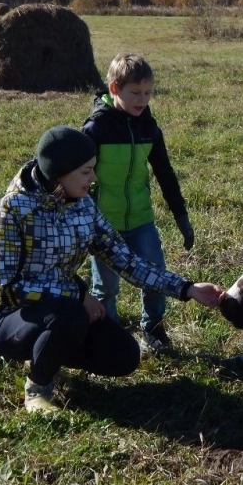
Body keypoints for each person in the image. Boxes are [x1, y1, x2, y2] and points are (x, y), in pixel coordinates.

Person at [0, 125, 224, 413]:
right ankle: (38, 389)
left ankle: (46, 352)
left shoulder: (84, 207)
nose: (93, 179)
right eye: (85, 171)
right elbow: (7, 287)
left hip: (62, 312)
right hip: (9, 318)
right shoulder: (12, 210)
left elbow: (127, 260)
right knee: (68, 315)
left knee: (124, 356)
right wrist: (77, 294)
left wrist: (187, 288)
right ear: (60, 172)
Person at [82, 53, 194, 354]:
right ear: (114, 89)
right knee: (106, 288)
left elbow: (165, 173)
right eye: (135, 93)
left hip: (141, 221)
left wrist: (181, 216)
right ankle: (109, 337)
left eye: (148, 93)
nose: (142, 100)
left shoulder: (149, 128)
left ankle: (153, 331)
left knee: (155, 275)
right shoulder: (96, 129)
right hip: (103, 226)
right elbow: (77, 176)